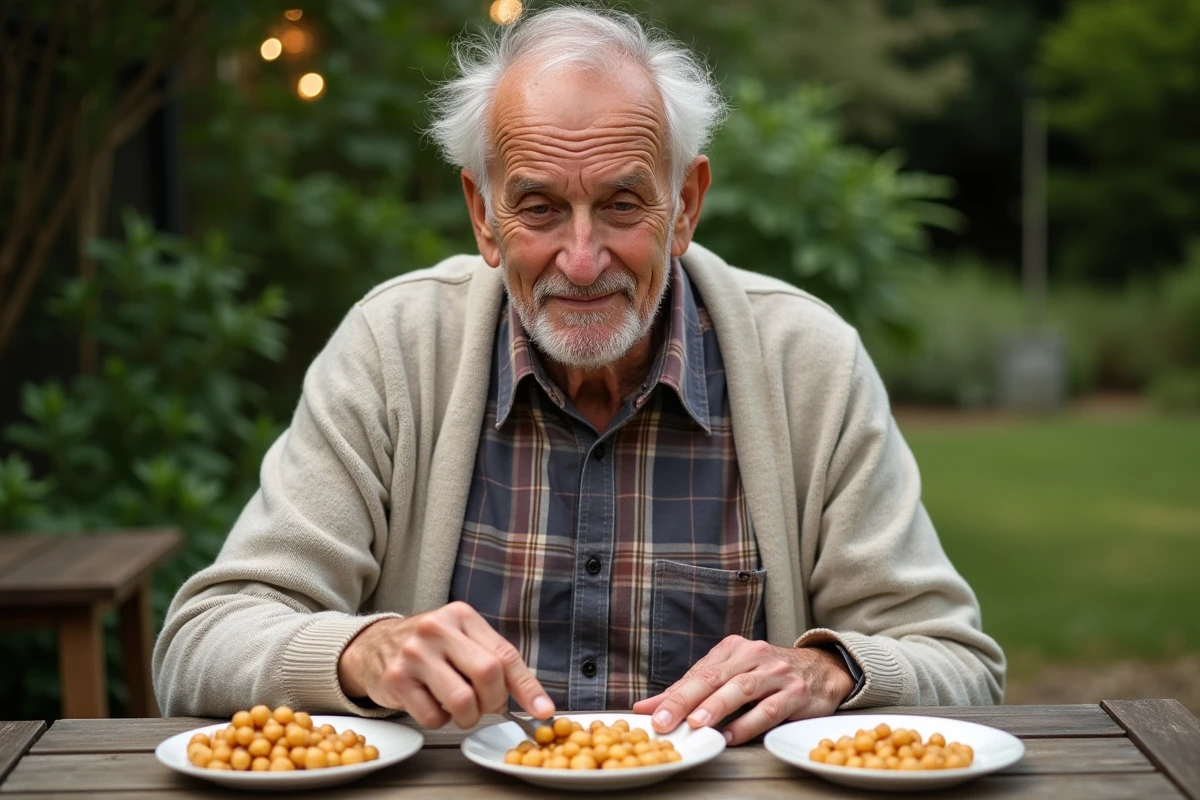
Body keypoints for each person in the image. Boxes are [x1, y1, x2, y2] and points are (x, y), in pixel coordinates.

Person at [153, 5, 1004, 747]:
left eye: (624, 204)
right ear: (483, 217)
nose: (584, 257)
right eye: (539, 208)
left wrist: (828, 673)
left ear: (687, 205)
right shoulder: (394, 346)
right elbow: (201, 642)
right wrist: (360, 652)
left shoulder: (807, 361)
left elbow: (958, 662)